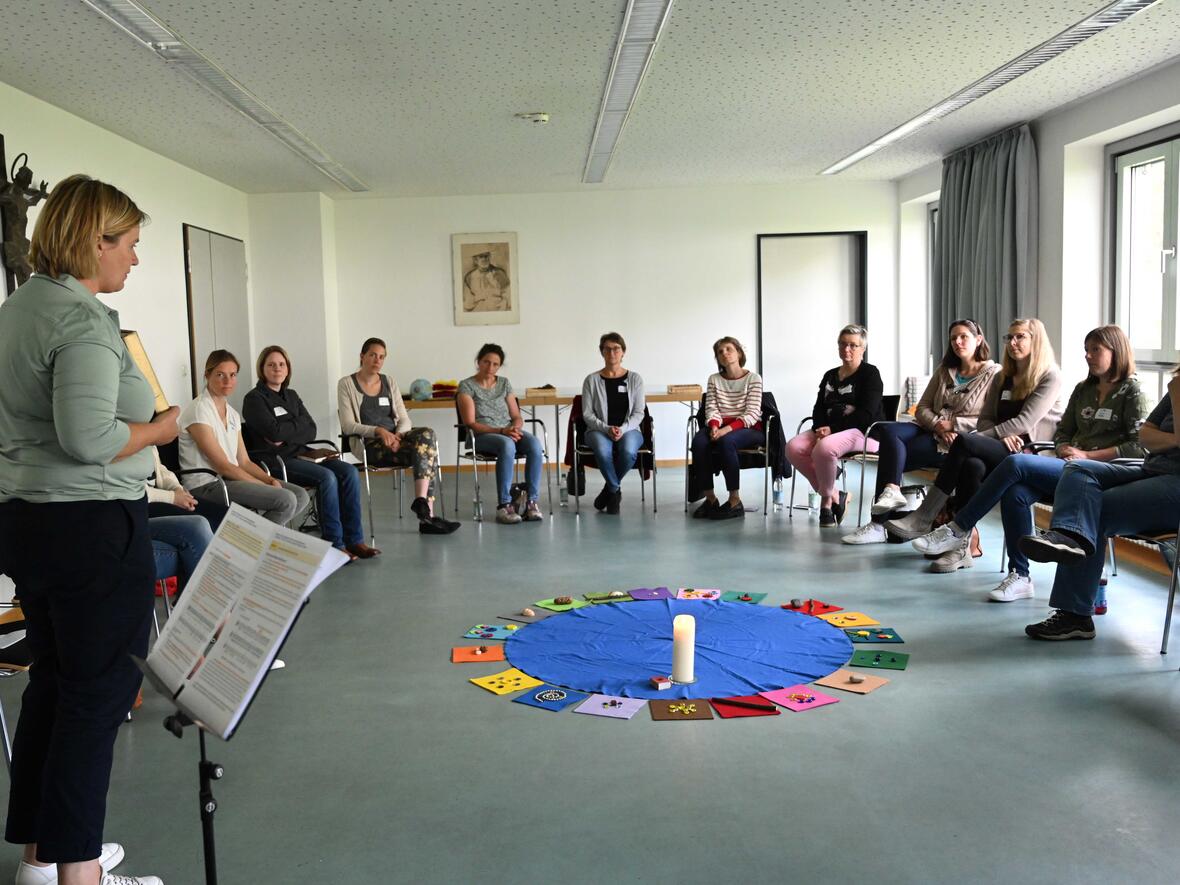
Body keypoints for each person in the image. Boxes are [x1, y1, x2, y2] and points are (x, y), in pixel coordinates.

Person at [0, 174, 169, 884]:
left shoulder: (18, 308)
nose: (134, 257)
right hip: (90, 527)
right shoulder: (81, 320)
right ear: (94, 241)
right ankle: (80, 875)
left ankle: (43, 860)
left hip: (29, 522)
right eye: (128, 243)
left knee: (56, 683)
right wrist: (160, 428)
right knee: (96, 698)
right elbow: (90, 437)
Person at [911, 325, 1147, 601]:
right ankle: (1020, 576)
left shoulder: (1133, 391)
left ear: (1116, 351)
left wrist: (1087, 456)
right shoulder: (1084, 389)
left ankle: (958, 527)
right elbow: (1063, 432)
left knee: (1016, 464)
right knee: (1016, 492)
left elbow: (1138, 446)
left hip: (1099, 475)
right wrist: (1064, 447)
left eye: (1095, 350)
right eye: (1086, 350)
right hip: (1069, 468)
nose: (1088, 356)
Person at [883, 318, 1064, 570]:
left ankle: (924, 516)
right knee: (972, 466)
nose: (1012, 342)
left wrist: (990, 435)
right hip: (1003, 447)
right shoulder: (1003, 376)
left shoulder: (1050, 376)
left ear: (1037, 340)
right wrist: (999, 435)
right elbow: (986, 418)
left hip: (1031, 454)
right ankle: (961, 550)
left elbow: (1024, 422)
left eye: (1020, 336)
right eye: (1009, 337)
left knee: (965, 443)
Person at [1017, 376, 1180, 641]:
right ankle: (1067, 537)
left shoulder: (1177, 387)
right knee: (1078, 470)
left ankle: (1075, 616)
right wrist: (1168, 438)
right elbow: (1145, 436)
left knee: (1095, 508)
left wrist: (1176, 396)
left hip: (1175, 483)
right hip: (1151, 470)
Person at [843, 318, 1001, 544]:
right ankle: (891, 494)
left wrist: (954, 425)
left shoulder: (993, 373)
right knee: (887, 431)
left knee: (891, 454)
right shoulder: (944, 370)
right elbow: (922, 408)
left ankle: (879, 523)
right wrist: (938, 424)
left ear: (978, 340)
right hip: (931, 430)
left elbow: (991, 419)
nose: (957, 342)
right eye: (953, 338)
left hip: (958, 443)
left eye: (963, 337)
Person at [243, 345, 380, 559]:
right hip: (275, 461)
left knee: (349, 472)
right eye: (271, 365)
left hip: (302, 454)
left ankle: (355, 541)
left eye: (282, 364)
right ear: (262, 369)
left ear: (288, 369)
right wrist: (295, 426)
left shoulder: (291, 395)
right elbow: (273, 432)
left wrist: (285, 432)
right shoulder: (254, 399)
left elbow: (311, 429)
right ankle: (334, 545)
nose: (277, 368)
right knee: (327, 477)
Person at [337, 337, 458, 534]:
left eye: (382, 357)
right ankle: (427, 517)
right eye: (373, 355)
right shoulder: (346, 384)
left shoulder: (389, 381)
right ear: (362, 356)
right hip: (370, 445)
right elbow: (348, 425)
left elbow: (404, 418)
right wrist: (379, 431)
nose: (377, 360)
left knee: (428, 434)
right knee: (428, 453)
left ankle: (421, 503)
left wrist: (398, 436)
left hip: (396, 440)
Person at [179, 350, 309, 526]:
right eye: (220, 375)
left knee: (300, 496)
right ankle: (252, 538)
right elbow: (223, 466)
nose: (228, 381)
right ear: (207, 375)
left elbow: (244, 462)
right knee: (286, 500)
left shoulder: (232, 414)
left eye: (232, 375)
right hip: (207, 485)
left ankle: (250, 535)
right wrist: (262, 485)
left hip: (229, 479)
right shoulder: (199, 410)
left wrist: (269, 479)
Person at [786, 324, 883, 528]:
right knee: (793, 448)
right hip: (829, 431)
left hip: (864, 432)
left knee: (824, 448)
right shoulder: (830, 375)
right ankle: (837, 495)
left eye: (853, 345)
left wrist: (832, 430)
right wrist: (820, 428)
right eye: (842, 344)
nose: (847, 349)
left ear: (863, 349)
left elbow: (866, 414)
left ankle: (826, 502)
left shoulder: (870, 374)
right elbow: (819, 407)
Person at [456, 344, 545, 524]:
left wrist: (515, 429)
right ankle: (504, 505)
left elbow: (516, 416)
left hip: (508, 432)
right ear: (478, 362)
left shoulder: (504, 383)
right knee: (507, 444)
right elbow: (471, 423)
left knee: (535, 444)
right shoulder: (466, 386)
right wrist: (502, 431)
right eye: (486, 362)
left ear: (499, 366)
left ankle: (531, 502)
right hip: (481, 435)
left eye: (495, 364)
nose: (490, 367)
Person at [689, 336, 764, 520]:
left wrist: (725, 430)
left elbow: (752, 413)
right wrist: (714, 426)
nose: (724, 353)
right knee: (699, 442)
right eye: (720, 352)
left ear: (739, 353)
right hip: (720, 425)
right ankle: (710, 499)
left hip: (749, 427)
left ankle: (734, 500)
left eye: (729, 349)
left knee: (726, 441)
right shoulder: (714, 379)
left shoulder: (753, 378)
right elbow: (711, 408)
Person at [580, 332, 646, 515]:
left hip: (629, 429)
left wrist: (622, 429)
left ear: (623, 351)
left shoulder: (635, 379)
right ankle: (615, 490)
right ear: (601, 352)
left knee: (628, 452)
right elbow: (587, 414)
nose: (612, 353)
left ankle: (608, 489)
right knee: (603, 451)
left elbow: (639, 413)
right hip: (597, 430)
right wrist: (607, 428)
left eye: (616, 348)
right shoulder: (591, 380)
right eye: (607, 349)